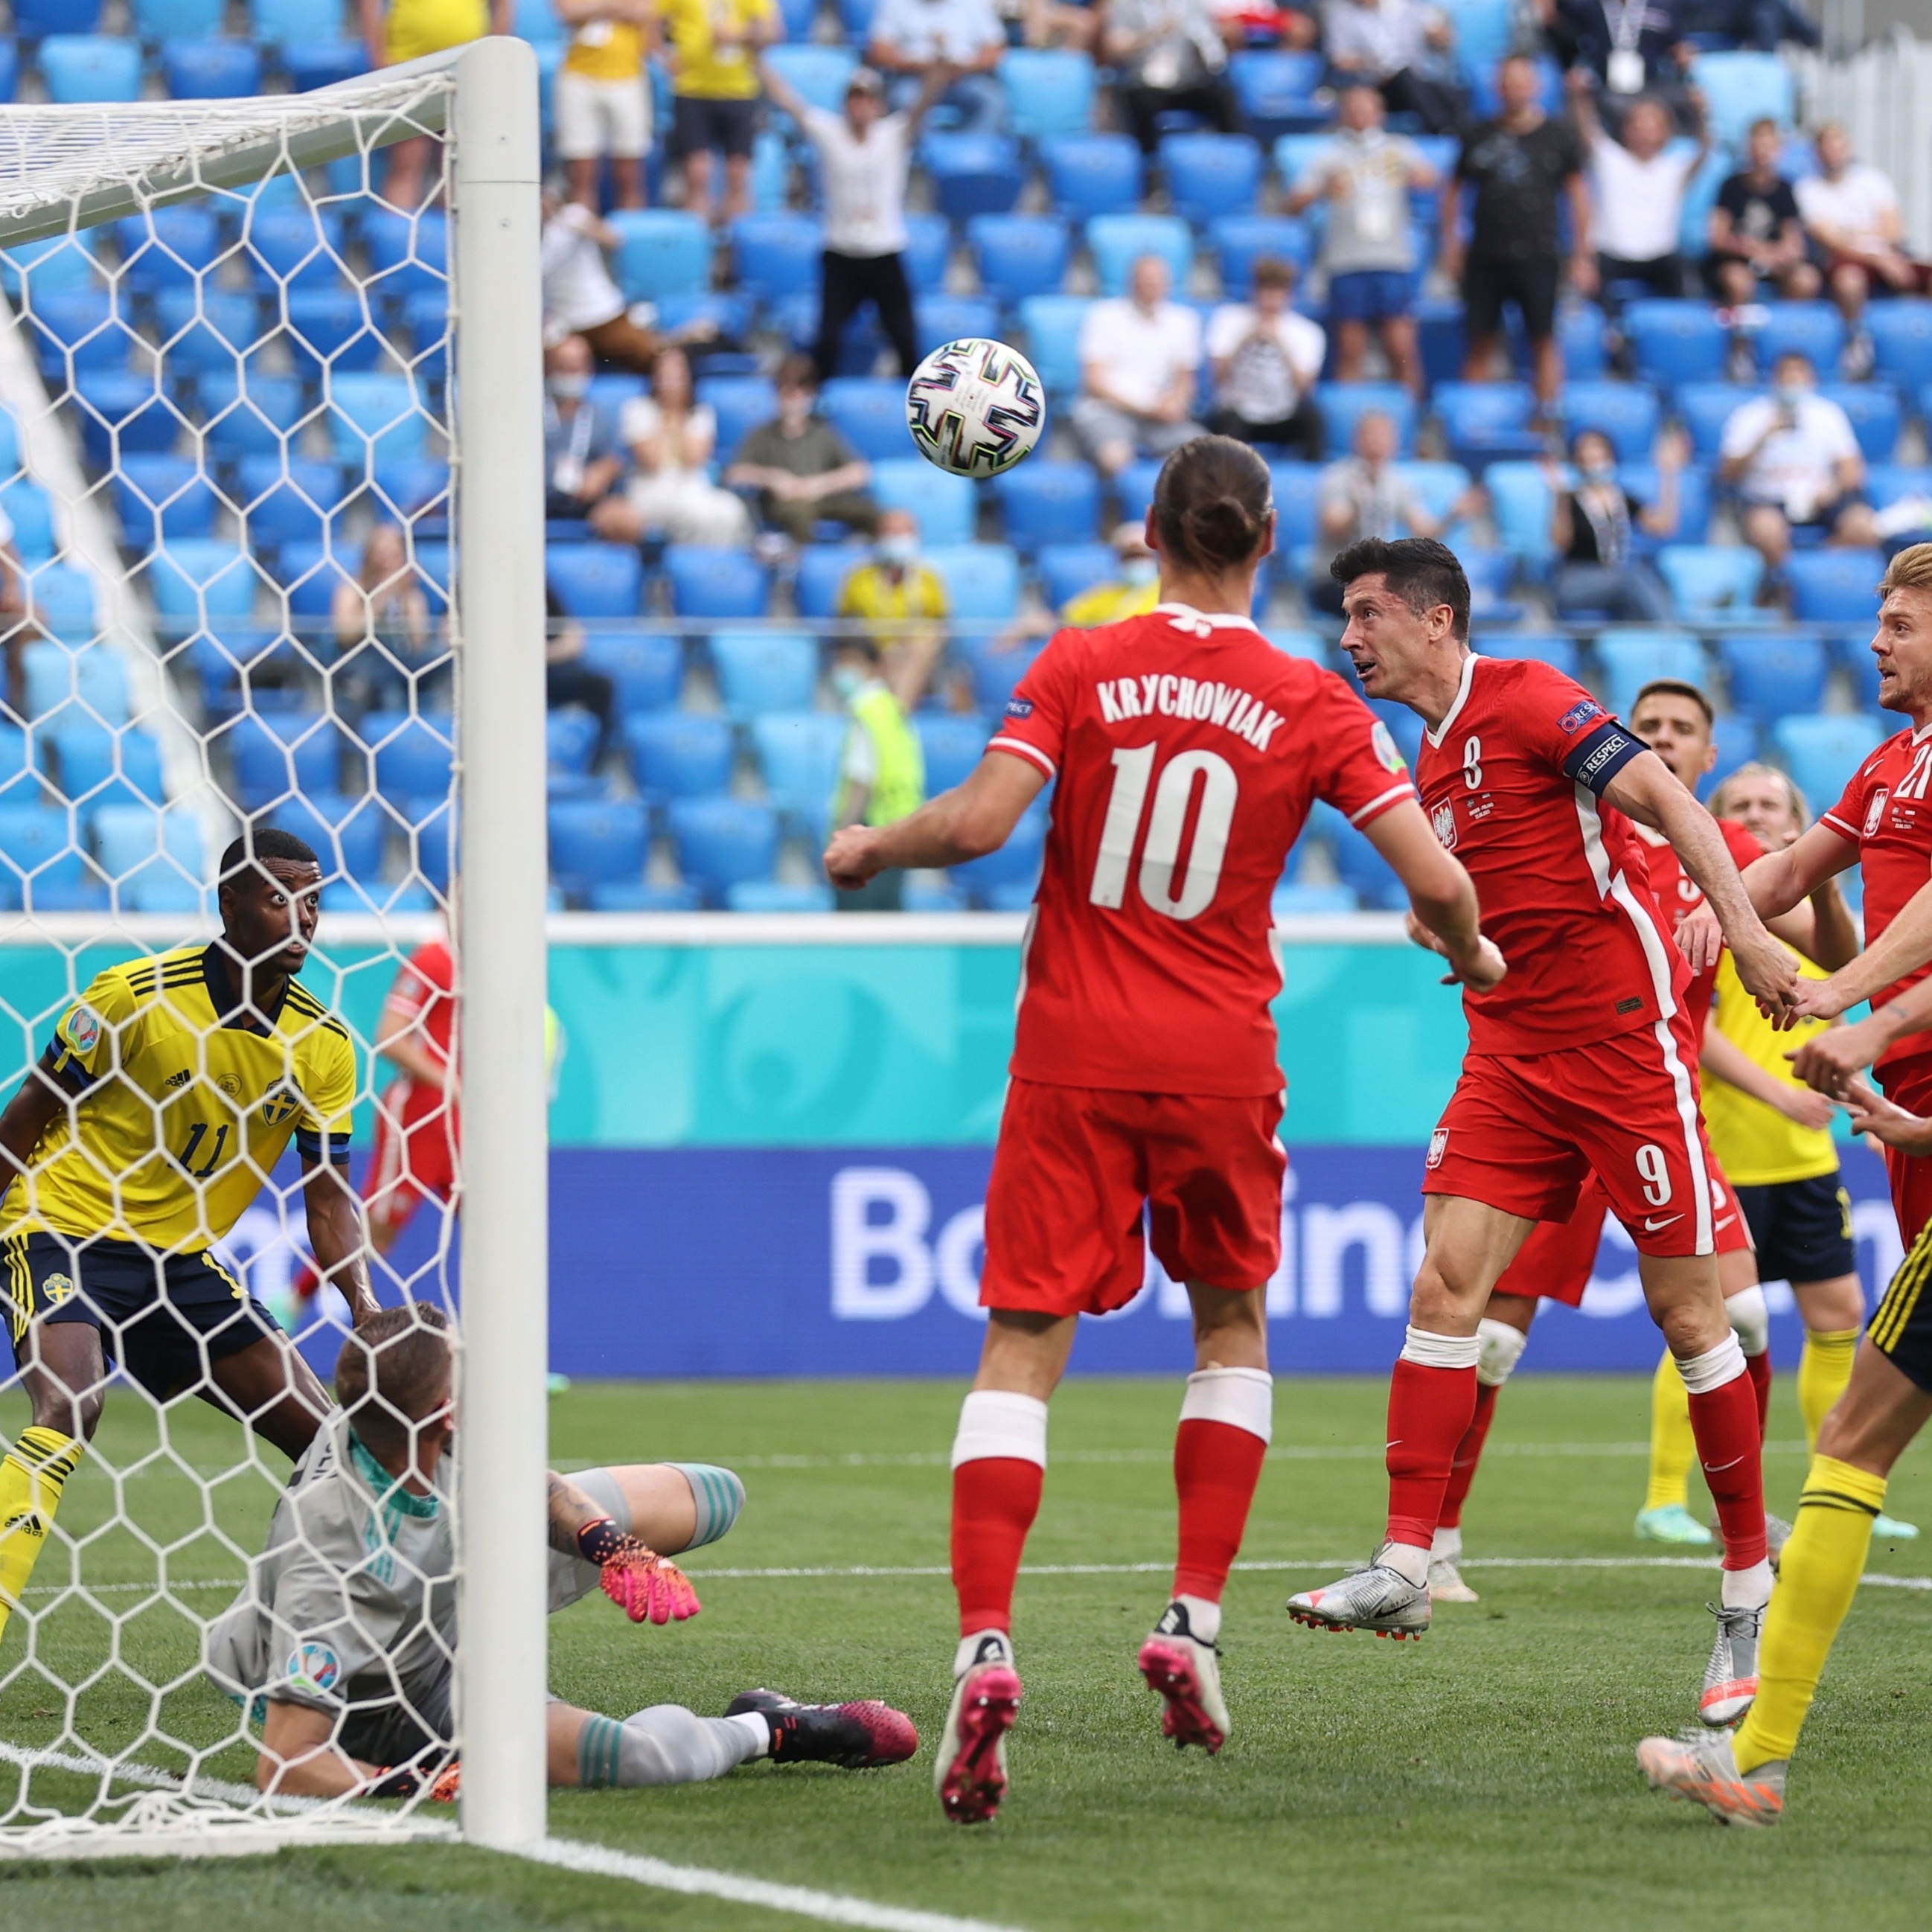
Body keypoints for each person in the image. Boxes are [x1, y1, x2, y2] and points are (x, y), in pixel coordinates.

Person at [822, 436, 1498, 1824]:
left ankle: (987, 1644)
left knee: (1022, 1340)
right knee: (1231, 1324)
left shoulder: (1081, 666)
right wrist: (1477, 958)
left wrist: (873, 845)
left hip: (1071, 1052)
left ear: (1147, 535)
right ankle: (1189, 1621)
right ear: (1262, 546)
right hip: (1218, 1061)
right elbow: (1433, 874)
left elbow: (980, 826)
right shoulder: (1311, 697)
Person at [1283, 539, 1797, 1733]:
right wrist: (1451, 927)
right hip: (1511, 1055)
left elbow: (1667, 801)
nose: (1349, 639)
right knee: (1445, 1285)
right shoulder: (1427, 752)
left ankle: (1744, 1588)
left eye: (1366, 616)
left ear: (1436, 620)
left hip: (1622, 1049)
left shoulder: (1528, 698)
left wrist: (1751, 937)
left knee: (1693, 1319)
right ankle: (1409, 1564)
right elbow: (1468, 894)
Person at [1639, 548, 1932, 1820]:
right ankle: (1748, 1753)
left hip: (1899, 1093)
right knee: (1857, 1421)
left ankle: (1750, 1753)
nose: (1875, 643)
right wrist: (1709, 918)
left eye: (1901, 625)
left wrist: (1851, 1011)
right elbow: (1787, 869)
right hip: (1910, 1125)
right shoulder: (1887, 764)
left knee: (1856, 1427)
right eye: (1876, 622)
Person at [207, 1305, 918, 1797]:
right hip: (402, 1690)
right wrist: (422, 1780)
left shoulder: (403, 1417)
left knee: (709, 1495)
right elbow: (286, 1764)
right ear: (445, 1416)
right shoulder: (328, 1556)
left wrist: (617, 1549)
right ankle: (772, 1725)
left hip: (459, 1575)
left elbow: (532, 1485)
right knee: (635, 1759)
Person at [0, 830, 374, 1650]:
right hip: (62, 1226)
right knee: (71, 1403)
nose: (301, 917)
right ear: (230, 902)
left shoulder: (325, 1045)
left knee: (336, 1449)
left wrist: (366, 1308)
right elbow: (21, 1125)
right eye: (280, 896)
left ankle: (306, 1641)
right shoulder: (132, 997)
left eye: (313, 898)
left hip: (178, 1262)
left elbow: (329, 1201)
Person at [1699, 762, 1913, 1542]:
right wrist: (1780, 1089)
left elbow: (1832, 959)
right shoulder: (1707, 889)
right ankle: (1670, 1498)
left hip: (1809, 1149)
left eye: (1771, 803)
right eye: (1740, 803)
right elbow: (1694, 1030)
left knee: (1839, 1315)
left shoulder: (1784, 898)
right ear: (1715, 816)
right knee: (1723, 1320)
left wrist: (1824, 887)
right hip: (1727, 1145)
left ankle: (1839, 1486)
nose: (1755, 812)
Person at [758, 60, 948, 383]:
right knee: (828, 338)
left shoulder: (893, 134)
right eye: (855, 99)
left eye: (867, 99)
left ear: (878, 105)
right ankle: (816, 406)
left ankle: (915, 409)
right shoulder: (830, 132)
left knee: (905, 336)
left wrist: (939, 69)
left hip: (885, 251)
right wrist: (759, 64)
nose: (860, 106)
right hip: (842, 253)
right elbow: (790, 102)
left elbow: (923, 103)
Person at [1447, 54, 1593, 407]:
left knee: (1543, 340)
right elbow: (1452, 191)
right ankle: (1473, 417)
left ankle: (1545, 423)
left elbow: (1578, 197)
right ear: (1497, 88)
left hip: (1539, 254)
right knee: (1480, 340)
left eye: (1521, 83)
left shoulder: (1558, 136)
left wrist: (1583, 254)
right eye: (1507, 83)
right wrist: (1450, 243)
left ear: (1536, 87)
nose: (1514, 90)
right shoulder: (1477, 134)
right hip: (1486, 255)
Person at [1283, 88, 1430, 396]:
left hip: (1391, 260)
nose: (1361, 115)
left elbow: (1430, 179)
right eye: (1354, 108)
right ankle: (1348, 419)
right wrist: (1323, 189)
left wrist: (1413, 176)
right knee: (1350, 349)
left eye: (1367, 109)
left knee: (1402, 348)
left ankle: (1409, 419)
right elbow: (1294, 203)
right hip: (1346, 261)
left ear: (1381, 113)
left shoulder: (1397, 149)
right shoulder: (1331, 156)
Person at [1718, 351, 1877, 575]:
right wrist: (1762, 439)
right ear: (1774, 378)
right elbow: (1728, 474)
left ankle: (1813, 573)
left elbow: (1853, 471)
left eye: (1799, 373)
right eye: (1786, 373)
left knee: (1864, 526)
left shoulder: (1828, 414)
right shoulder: (1749, 416)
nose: (1793, 380)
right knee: (1767, 530)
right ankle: (1787, 584)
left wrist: (1833, 488)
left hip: (1820, 499)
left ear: (1812, 379)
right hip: (1769, 500)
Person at [1308, 410, 1478, 616]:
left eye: (1382, 437)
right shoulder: (1337, 477)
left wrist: (1453, 514)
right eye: (1369, 436)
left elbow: (1425, 531)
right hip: (1337, 576)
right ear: (1357, 441)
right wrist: (1361, 503)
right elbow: (1334, 527)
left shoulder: (1397, 482)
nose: (1375, 443)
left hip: (1378, 577)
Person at [1796, 126, 1932, 368]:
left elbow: (1895, 231)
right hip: (1846, 259)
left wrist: (1856, 235)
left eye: (1839, 147)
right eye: (1828, 148)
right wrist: (1877, 257)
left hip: (1887, 254)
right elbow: (1833, 241)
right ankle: (1857, 345)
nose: (1834, 154)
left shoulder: (1872, 180)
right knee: (1850, 281)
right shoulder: (1808, 189)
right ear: (1818, 153)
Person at [592, 347, 753, 548]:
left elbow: (694, 460)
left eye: (677, 376)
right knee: (698, 516)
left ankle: (717, 569)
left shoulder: (700, 413)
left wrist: (679, 416)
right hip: (651, 490)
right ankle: (687, 566)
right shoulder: (637, 410)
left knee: (731, 510)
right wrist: (665, 416)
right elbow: (651, 461)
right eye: (665, 375)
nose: (671, 383)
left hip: (692, 486)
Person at [359, 0, 511, 208]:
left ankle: (461, 236)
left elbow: (504, 6)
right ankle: (401, 236)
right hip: (407, 64)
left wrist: (493, 53)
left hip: (469, 63)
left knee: (464, 169)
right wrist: (378, 56)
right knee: (406, 164)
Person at [1570, 77, 1708, 303]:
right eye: (1638, 126)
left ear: (1665, 133)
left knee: (1686, 284)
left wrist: (1700, 112)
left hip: (1660, 258)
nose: (1644, 133)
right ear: (1626, 130)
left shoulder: (1674, 168)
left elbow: (1704, 148)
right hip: (1611, 255)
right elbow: (1586, 128)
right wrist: (1578, 97)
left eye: (1652, 127)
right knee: (1588, 285)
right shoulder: (1610, 158)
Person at [1071, 255, 1206, 479]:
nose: (1149, 287)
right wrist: (1147, 408)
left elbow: (1185, 378)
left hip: (1161, 417)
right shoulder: (1103, 316)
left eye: (1155, 281)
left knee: (1203, 456)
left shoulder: (1184, 320)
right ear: (1131, 282)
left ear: (1167, 284)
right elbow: (1094, 381)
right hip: (1109, 411)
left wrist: (1175, 403)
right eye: (1144, 281)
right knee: (1115, 457)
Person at [726, 354, 880, 547]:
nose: (794, 394)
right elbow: (734, 473)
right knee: (800, 515)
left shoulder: (823, 432)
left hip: (824, 499)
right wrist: (773, 479)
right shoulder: (762, 434)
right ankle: (799, 571)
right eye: (786, 386)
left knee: (874, 513)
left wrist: (819, 485)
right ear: (776, 391)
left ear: (811, 393)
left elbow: (860, 472)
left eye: (801, 386)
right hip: (784, 505)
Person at [827, 634, 930, 912]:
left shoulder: (867, 710)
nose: (842, 671)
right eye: (839, 662)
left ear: (873, 666)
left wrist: (842, 832)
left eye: (850, 662)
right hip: (899, 825)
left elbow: (862, 779)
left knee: (859, 924)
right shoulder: (890, 707)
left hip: (869, 825)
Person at [1546, 425, 1683, 622]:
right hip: (1576, 580)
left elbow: (1662, 527)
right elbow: (1560, 542)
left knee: (1639, 587)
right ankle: (1674, 637)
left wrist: (1669, 475)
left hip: (1615, 580)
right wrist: (1559, 498)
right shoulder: (1570, 499)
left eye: (1600, 456)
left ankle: (1661, 645)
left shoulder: (1622, 499)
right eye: (1587, 457)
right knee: (1633, 578)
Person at [663, 0, 779, 228]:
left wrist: (739, 35)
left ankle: (736, 250)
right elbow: (654, 18)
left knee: (737, 173)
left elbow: (772, 32)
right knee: (697, 173)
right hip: (693, 90)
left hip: (739, 90)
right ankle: (697, 248)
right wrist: (663, 56)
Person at [540, 192, 674, 377]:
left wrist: (585, 225)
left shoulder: (572, 216)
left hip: (604, 315)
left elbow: (614, 240)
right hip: (567, 326)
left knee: (655, 358)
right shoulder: (524, 244)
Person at [1203, 258, 1325, 452]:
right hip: (1240, 413)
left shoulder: (1307, 332)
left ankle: (1310, 477)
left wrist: (1282, 346)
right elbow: (1217, 377)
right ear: (1254, 291)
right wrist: (1244, 341)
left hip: (1283, 415)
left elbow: (1305, 388)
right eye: (1266, 291)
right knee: (1225, 423)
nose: (1271, 300)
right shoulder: (1228, 319)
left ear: (1290, 295)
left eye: (1278, 292)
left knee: (1313, 419)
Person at [332, 522, 446, 718]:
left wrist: (407, 600)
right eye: (381, 555)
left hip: (403, 663)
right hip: (364, 662)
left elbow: (418, 644)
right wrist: (381, 596)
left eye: (394, 555)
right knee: (385, 684)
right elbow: (345, 635)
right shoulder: (352, 589)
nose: (387, 563)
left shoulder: (412, 596)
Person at [1705, 117, 1820, 307]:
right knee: (1738, 281)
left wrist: (1780, 254)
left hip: (1774, 262)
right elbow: (1717, 237)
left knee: (1806, 279)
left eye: (1768, 145)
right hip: (1738, 261)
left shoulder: (1785, 189)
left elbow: (1794, 239)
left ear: (1779, 150)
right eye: (1758, 145)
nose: (1762, 151)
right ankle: (1741, 335)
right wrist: (1751, 249)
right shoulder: (1731, 186)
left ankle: (1787, 331)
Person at [555, 0, 657, 211]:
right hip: (579, 78)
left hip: (628, 77)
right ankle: (580, 239)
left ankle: (631, 235)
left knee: (629, 173)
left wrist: (595, 7)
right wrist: (617, 7)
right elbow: (567, 12)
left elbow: (647, 12)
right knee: (581, 172)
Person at [1102, 0, 1241, 154]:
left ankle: (1235, 158)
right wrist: (1153, 35)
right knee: (1141, 103)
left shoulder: (1193, 5)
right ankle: (1148, 163)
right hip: (1146, 84)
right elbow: (1115, 49)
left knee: (1223, 95)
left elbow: (1210, 43)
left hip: (1187, 83)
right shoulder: (1127, 6)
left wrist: (1209, 48)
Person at [1321, 0, 1462, 136]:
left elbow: (1441, 45)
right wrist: (1372, 63)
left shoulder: (1411, 9)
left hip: (1416, 82)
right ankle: (1442, 129)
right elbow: (1340, 61)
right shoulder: (1342, 16)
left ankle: (1461, 130)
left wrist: (1439, 38)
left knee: (1447, 88)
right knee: (1406, 76)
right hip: (1375, 84)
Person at [867, 0, 1008, 133]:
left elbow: (995, 49)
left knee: (992, 101)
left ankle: (974, 154)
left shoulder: (974, 3)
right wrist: (921, 66)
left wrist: (965, 67)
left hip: (963, 78)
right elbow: (880, 51)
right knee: (901, 99)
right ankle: (918, 151)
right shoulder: (896, 3)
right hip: (915, 78)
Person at [541, 335, 625, 524]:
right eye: (563, 368)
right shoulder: (530, 412)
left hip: (583, 502)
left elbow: (612, 459)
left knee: (623, 519)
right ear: (548, 368)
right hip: (533, 499)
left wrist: (603, 472)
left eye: (576, 368)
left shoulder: (599, 416)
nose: (570, 375)